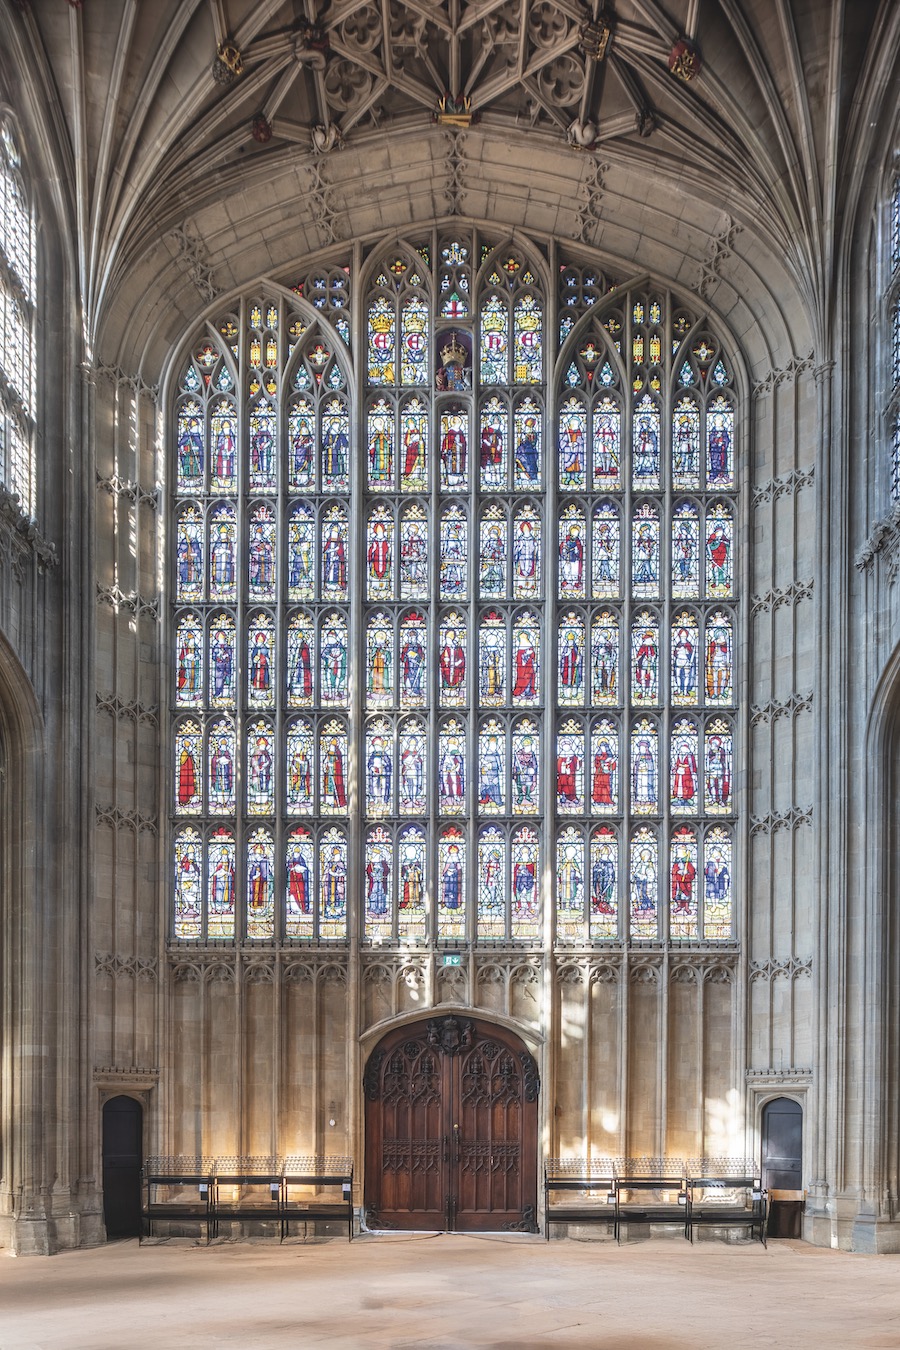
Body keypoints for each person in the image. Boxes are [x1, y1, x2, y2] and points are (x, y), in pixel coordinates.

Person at [440, 411, 467, 486]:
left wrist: (461, 444)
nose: (457, 423)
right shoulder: (450, 432)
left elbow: (464, 443)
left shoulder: (461, 432)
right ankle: (451, 481)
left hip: (460, 453)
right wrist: (445, 449)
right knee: (451, 467)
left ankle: (459, 480)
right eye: (456, 422)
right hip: (451, 454)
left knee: (459, 466)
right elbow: (446, 442)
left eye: (458, 422)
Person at [321, 628, 346, 702]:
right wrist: (329, 657)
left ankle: (335, 692)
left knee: (338, 678)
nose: (330, 639)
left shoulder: (339, 645)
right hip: (329, 665)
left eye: (331, 637)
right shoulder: (328, 646)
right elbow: (323, 655)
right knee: (328, 679)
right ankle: (329, 693)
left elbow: (344, 654)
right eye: (329, 637)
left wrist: (340, 657)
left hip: (338, 665)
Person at [366, 736, 392, 811]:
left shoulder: (385, 755)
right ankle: (376, 799)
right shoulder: (373, 755)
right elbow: (369, 764)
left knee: (383, 786)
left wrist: (384, 765)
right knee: (374, 786)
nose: (376, 747)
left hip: (383, 774)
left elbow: (388, 764)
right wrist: (372, 768)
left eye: (378, 745)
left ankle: (384, 800)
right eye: (375, 745)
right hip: (374, 773)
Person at [513, 735, 538, 808]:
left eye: (529, 745)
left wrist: (533, 770)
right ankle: (520, 796)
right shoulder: (518, 753)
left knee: (528, 783)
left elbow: (534, 763)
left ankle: (527, 795)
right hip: (520, 771)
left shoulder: (532, 754)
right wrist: (515, 771)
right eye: (527, 745)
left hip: (529, 772)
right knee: (519, 784)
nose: (528, 747)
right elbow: (515, 763)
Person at [479, 734, 504, 809]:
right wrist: (483, 768)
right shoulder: (486, 754)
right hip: (486, 775)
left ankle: (496, 801)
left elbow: (499, 767)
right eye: (491, 744)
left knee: (494, 788)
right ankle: (487, 799)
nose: (493, 746)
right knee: (486, 787)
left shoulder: (496, 755)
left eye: (494, 744)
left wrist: (491, 766)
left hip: (494, 775)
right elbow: (482, 765)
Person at [440, 630, 466, 699]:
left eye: (449, 638)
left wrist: (458, 662)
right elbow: (441, 658)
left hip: (455, 668)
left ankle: (455, 690)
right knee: (446, 677)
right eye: (446, 638)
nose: (447, 640)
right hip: (447, 668)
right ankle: (446, 690)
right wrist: (444, 660)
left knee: (455, 677)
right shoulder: (445, 648)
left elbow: (462, 658)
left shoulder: (457, 648)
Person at [322, 736, 347, 809]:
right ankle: (329, 802)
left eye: (332, 745)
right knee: (329, 788)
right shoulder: (328, 753)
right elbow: (325, 761)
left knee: (335, 787)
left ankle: (336, 802)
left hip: (335, 774)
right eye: (331, 745)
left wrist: (333, 764)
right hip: (329, 773)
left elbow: (339, 762)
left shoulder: (338, 753)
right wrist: (325, 765)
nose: (331, 746)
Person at [671, 845, 696, 915]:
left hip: (686, 881)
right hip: (677, 881)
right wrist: (677, 872)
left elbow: (692, 870)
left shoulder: (688, 861)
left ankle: (686, 907)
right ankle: (679, 906)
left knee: (686, 894)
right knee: (677, 894)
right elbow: (674, 870)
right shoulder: (676, 861)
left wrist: (687, 872)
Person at [559, 523, 584, 594]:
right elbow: (561, 549)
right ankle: (568, 582)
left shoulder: (578, 542)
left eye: (576, 533)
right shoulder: (565, 541)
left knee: (574, 571)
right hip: (567, 560)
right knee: (567, 571)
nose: (574, 535)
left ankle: (575, 583)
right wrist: (564, 550)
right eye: (573, 533)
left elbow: (580, 551)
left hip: (574, 560)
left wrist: (577, 550)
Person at [512, 630, 537, 700]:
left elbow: (533, 656)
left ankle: (529, 692)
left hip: (529, 667)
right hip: (522, 669)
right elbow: (518, 659)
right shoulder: (520, 649)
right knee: (522, 679)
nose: (523, 638)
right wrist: (525, 655)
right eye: (522, 637)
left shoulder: (530, 646)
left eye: (524, 637)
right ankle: (521, 692)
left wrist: (530, 655)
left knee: (530, 679)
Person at [591, 739, 616, 809]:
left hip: (606, 775)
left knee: (606, 787)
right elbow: (596, 764)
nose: (603, 748)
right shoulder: (597, 756)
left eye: (604, 747)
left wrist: (611, 762)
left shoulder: (610, 755)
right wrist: (603, 761)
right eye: (601, 747)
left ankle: (607, 801)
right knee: (598, 787)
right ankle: (597, 801)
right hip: (599, 774)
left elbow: (613, 765)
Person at [632, 736, 656, 808]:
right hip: (639, 774)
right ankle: (639, 798)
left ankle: (648, 798)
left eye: (642, 747)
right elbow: (636, 764)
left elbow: (651, 765)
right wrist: (637, 767)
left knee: (646, 786)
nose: (640, 749)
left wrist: (646, 765)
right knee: (639, 787)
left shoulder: (649, 755)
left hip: (646, 774)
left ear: (646, 748)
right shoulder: (638, 756)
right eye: (640, 747)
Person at [322, 522, 347, 592]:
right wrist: (332, 550)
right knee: (329, 572)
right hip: (329, 560)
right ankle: (327, 584)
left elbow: (342, 552)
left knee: (336, 572)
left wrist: (338, 557)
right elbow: (325, 550)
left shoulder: (340, 541)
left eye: (336, 531)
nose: (334, 532)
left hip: (337, 561)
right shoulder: (329, 540)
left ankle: (337, 585)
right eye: (333, 531)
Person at [514, 415, 539, 483]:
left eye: (529, 425)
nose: (528, 427)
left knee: (530, 464)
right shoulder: (525, 433)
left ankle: (531, 477)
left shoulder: (534, 433)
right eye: (527, 425)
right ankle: (522, 476)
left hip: (530, 451)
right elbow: (522, 442)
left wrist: (529, 440)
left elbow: (533, 442)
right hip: (524, 450)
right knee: (520, 458)